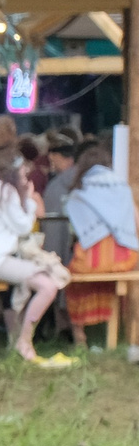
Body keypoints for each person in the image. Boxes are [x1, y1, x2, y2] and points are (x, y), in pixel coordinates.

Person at [0, 149, 72, 367]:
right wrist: (29, 200)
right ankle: (24, 341)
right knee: (48, 286)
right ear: (14, 173)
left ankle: (19, 340)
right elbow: (23, 226)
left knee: (33, 282)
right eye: (22, 173)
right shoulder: (7, 192)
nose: (25, 178)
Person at [60, 143, 138, 357]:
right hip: (124, 257)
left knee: (71, 280)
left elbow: (77, 228)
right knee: (113, 280)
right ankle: (117, 335)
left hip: (93, 259)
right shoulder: (122, 186)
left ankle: (80, 338)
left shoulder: (80, 192)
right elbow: (135, 221)